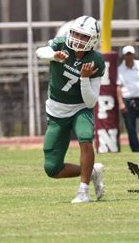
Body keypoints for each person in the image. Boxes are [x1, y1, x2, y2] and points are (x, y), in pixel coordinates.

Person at [36, 15, 106, 203]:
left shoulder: (96, 60)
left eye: (83, 36)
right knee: (52, 168)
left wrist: (84, 78)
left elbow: (91, 102)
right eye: (75, 34)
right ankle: (92, 171)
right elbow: (40, 52)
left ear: (92, 39)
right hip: (57, 111)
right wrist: (53, 55)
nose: (77, 39)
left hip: (79, 108)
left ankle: (83, 191)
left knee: (85, 137)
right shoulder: (60, 45)